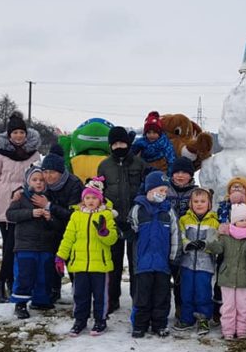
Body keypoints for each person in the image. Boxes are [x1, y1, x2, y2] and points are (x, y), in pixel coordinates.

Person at [0, 112, 41, 303]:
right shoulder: (0, 154)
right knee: (9, 246)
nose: (18, 136)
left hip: (24, 205)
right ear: (9, 135)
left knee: (14, 247)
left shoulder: (34, 154)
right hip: (3, 205)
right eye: (15, 133)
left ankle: (9, 281)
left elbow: (37, 178)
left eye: (21, 132)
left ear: (26, 134)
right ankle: (1, 283)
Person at [56, 176, 118, 336]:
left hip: (100, 265)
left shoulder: (106, 216)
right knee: (80, 295)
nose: (91, 201)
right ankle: (80, 320)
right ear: (83, 199)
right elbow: (68, 238)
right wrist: (61, 256)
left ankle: (100, 320)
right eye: (88, 198)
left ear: (100, 199)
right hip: (80, 264)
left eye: (94, 198)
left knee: (100, 295)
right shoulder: (76, 216)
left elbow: (112, 239)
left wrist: (104, 232)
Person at [98, 126, 147, 314]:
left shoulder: (139, 164)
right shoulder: (104, 165)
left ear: (128, 143)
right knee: (113, 262)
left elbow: (145, 189)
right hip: (113, 221)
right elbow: (100, 191)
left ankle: (138, 299)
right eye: (115, 144)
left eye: (122, 143)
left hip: (135, 222)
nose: (119, 147)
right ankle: (112, 299)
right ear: (110, 146)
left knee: (136, 263)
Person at [128, 171, 179, 338]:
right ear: (150, 190)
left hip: (162, 263)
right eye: (160, 190)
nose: (163, 194)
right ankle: (140, 325)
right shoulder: (138, 209)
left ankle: (159, 324)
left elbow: (175, 234)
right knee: (142, 296)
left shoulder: (168, 211)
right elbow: (132, 231)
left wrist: (173, 257)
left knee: (161, 296)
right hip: (143, 263)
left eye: (165, 191)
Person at [5, 166, 58, 319]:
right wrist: (30, 213)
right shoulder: (21, 197)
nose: (38, 183)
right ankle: (20, 303)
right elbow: (10, 214)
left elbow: (57, 223)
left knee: (43, 274)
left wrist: (50, 218)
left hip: (45, 245)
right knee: (25, 274)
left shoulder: (49, 199)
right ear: (28, 182)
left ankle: (40, 300)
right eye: (34, 180)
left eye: (41, 180)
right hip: (25, 245)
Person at [214, 177, 246, 326]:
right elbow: (219, 222)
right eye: (234, 186)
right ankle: (220, 313)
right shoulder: (224, 206)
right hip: (227, 248)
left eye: (241, 187)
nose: (237, 188)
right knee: (222, 280)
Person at [206, 203, 246, 340]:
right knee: (228, 306)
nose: (245, 222)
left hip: (245, 278)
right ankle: (228, 330)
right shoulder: (225, 237)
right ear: (234, 221)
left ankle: (242, 330)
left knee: (243, 307)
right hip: (227, 277)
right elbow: (218, 250)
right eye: (241, 220)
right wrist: (211, 240)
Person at [36, 144, 84, 303]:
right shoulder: (44, 185)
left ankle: (79, 292)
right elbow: (29, 189)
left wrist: (49, 206)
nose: (48, 176)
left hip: (72, 230)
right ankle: (54, 289)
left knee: (72, 261)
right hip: (52, 228)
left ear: (61, 172)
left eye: (52, 172)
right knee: (52, 259)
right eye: (45, 172)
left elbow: (73, 214)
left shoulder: (74, 184)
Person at [173, 188, 219, 335]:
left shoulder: (214, 222)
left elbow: (216, 240)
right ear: (190, 204)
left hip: (205, 265)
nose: (199, 204)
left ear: (209, 204)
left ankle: (203, 319)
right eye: (196, 201)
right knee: (186, 292)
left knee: (202, 292)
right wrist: (187, 244)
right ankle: (187, 319)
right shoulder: (184, 220)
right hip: (187, 263)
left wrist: (205, 244)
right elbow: (180, 235)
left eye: (203, 201)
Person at [167, 156, 197, 320]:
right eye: (177, 172)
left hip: (186, 241)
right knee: (165, 276)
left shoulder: (195, 193)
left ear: (191, 175)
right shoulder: (165, 190)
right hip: (167, 240)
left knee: (181, 278)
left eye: (184, 172)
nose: (180, 175)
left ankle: (180, 307)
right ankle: (162, 308)